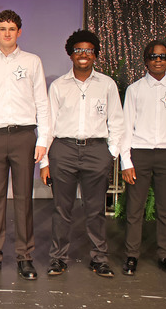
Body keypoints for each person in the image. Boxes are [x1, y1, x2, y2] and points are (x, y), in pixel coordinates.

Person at [40, 30, 124, 278]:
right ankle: (58, 259)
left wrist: (111, 153)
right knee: (61, 209)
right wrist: (45, 161)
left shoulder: (107, 84)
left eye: (88, 50)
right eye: (78, 50)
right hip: (63, 150)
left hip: (96, 150)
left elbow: (117, 122)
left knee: (95, 209)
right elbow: (48, 125)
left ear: (95, 54)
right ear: (70, 54)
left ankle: (99, 258)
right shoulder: (58, 86)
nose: (83, 54)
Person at [0, 10, 49, 280]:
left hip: (24, 135)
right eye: (2, 28)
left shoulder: (32, 62)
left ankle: (25, 257)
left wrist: (43, 139)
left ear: (19, 32)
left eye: (12, 28)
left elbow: (42, 102)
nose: (7, 33)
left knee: (24, 198)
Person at [119, 40, 166, 277]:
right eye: (153, 56)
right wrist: (126, 161)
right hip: (139, 154)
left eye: (163, 56)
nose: (158, 60)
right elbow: (126, 127)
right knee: (134, 209)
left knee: (165, 210)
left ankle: (164, 255)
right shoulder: (135, 89)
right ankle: (131, 255)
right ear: (146, 60)